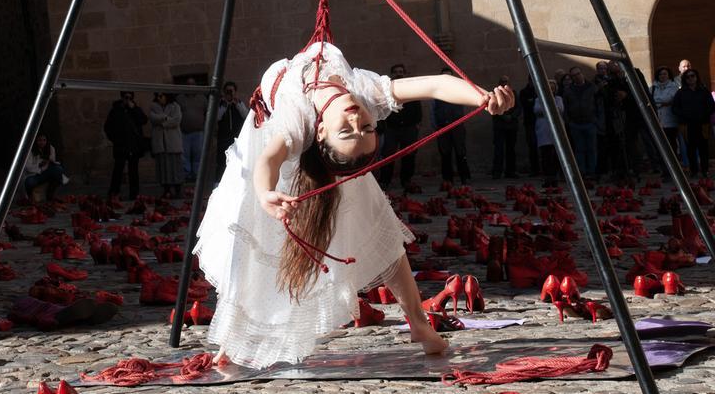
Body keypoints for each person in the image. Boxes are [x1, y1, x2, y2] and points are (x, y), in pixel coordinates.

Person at [193, 43, 513, 369]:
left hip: (281, 170)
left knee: (379, 234)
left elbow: (270, 158)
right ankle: (233, 338)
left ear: (321, 130)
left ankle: (418, 322)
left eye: (349, 129)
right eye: (366, 128)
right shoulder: (363, 93)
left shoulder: (298, 116)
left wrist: (264, 192)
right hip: (298, 167)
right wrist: (482, 97)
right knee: (262, 244)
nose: (357, 119)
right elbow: (433, 84)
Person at [378, 64, 422, 190]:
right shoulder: (386, 89)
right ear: (392, 74)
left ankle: (406, 180)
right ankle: (385, 181)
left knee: (409, 155)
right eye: (396, 72)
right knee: (388, 155)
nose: (399, 73)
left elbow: (417, 105)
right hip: (391, 128)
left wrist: (417, 122)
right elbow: (382, 106)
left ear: (404, 73)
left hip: (409, 128)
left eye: (401, 71)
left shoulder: (410, 88)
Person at [104, 91, 148, 201]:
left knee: (133, 171)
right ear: (122, 98)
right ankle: (114, 192)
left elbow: (143, 120)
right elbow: (108, 127)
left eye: (130, 97)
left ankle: (134, 193)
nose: (127, 100)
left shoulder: (135, 109)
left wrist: (134, 109)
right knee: (118, 169)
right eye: (125, 97)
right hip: (121, 145)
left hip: (133, 145)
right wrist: (115, 139)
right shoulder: (115, 111)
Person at [672, 69, 715, 178]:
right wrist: (684, 115)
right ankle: (694, 170)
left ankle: (705, 170)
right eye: (688, 77)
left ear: (697, 77)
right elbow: (674, 108)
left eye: (693, 76)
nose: (691, 78)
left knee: (703, 148)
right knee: (690, 148)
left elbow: (711, 106)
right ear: (684, 79)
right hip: (688, 125)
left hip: (702, 124)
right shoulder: (681, 92)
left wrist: (704, 115)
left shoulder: (703, 90)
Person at [433, 68, 471, 185]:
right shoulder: (436, 94)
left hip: (457, 126)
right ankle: (447, 179)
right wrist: (436, 127)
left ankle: (464, 177)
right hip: (442, 127)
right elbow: (432, 111)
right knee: (445, 153)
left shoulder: (458, 91)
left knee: (460, 152)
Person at [562, 66, 598, 178]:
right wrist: (569, 121)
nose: (577, 76)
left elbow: (597, 104)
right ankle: (581, 171)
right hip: (575, 124)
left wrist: (596, 119)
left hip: (590, 122)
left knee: (591, 148)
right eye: (574, 75)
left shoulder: (592, 87)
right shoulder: (568, 91)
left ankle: (592, 171)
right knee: (579, 149)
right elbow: (566, 107)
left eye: (578, 74)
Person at [149, 93, 183, 198]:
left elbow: (176, 120)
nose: (159, 98)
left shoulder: (175, 106)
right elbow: (152, 118)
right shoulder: (154, 107)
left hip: (173, 142)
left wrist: (163, 122)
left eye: (161, 96)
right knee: (163, 167)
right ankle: (166, 190)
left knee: (175, 167)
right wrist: (165, 117)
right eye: (158, 96)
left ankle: (177, 190)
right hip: (160, 142)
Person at [176, 78, 206, 183]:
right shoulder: (180, 99)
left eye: (193, 84)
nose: (191, 86)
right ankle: (187, 175)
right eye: (188, 84)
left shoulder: (202, 98)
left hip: (199, 132)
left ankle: (197, 175)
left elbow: (208, 112)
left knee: (198, 155)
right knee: (185, 156)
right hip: (184, 132)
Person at [216, 81, 249, 180]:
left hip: (236, 138)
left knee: (238, 161)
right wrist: (225, 104)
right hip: (223, 138)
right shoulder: (221, 104)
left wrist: (236, 103)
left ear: (235, 92)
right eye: (228, 91)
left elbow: (245, 115)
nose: (230, 93)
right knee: (222, 162)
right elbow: (217, 117)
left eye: (232, 91)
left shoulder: (238, 103)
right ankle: (219, 182)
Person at [534, 79, 564, 187]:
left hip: (556, 130)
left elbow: (560, 109)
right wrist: (550, 108)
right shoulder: (539, 99)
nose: (551, 90)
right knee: (545, 156)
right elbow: (537, 110)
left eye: (553, 88)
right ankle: (547, 178)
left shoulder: (558, 99)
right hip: (543, 131)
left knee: (556, 155)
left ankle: (554, 177)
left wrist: (547, 108)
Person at [490, 74, 520, 179]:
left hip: (511, 126)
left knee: (511, 149)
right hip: (500, 126)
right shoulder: (495, 94)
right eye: (502, 82)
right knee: (499, 149)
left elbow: (518, 108)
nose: (504, 84)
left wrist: (511, 116)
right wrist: (503, 116)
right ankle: (497, 172)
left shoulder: (514, 94)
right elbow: (493, 108)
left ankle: (510, 171)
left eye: (506, 82)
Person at [23, 134, 68, 201]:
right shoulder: (30, 150)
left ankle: (50, 194)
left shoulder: (51, 148)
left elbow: (52, 161)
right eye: (40, 140)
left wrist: (49, 162)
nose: (42, 142)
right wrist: (40, 167)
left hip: (47, 172)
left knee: (59, 170)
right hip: (34, 174)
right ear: (35, 140)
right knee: (29, 182)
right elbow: (28, 167)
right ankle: (30, 197)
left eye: (44, 140)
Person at [651, 66, 679, 172]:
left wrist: (660, 102)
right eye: (660, 74)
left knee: (672, 146)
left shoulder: (674, 86)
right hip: (658, 121)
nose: (662, 76)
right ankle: (665, 170)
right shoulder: (653, 87)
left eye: (665, 74)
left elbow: (669, 98)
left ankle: (674, 169)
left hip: (671, 122)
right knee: (660, 147)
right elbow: (652, 100)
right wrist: (663, 103)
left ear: (668, 75)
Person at [519, 76, 539, 176]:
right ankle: (535, 169)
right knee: (532, 146)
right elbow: (525, 104)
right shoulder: (524, 92)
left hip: (541, 122)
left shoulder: (541, 90)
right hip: (530, 122)